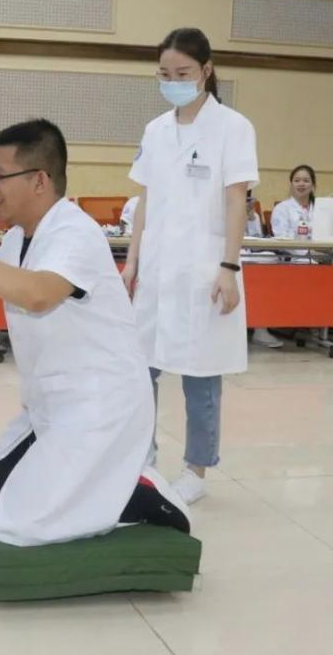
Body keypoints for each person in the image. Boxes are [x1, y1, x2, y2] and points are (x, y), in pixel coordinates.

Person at [0, 119, 189, 546]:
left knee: (28, 521)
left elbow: (37, 294)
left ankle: (139, 493)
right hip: (55, 405)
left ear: (39, 180)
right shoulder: (22, 235)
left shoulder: (75, 231)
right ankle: (108, 484)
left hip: (102, 406)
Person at [123, 27, 259, 505]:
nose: (173, 81)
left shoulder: (233, 127)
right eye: (164, 74)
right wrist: (132, 260)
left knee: (202, 374)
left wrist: (229, 266)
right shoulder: (156, 131)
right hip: (157, 271)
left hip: (203, 268)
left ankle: (197, 469)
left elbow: (236, 201)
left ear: (206, 71)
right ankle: (142, 458)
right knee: (142, 370)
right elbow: (145, 201)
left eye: (182, 73)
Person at [271, 165, 316, 240]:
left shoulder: (321, 208)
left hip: (321, 251)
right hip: (290, 251)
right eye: (297, 180)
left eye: (306, 181)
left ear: (312, 185)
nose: (301, 184)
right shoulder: (281, 208)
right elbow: (281, 238)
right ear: (291, 185)